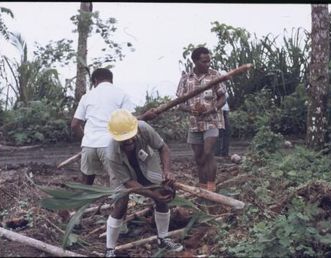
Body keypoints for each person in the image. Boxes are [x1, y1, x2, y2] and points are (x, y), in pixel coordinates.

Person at [104, 109, 183, 257]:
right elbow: (128, 182)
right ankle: (109, 250)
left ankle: (163, 238)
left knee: (163, 192)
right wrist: (151, 194)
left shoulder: (144, 128)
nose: (129, 141)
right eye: (124, 139)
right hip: (125, 177)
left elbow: (163, 148)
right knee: (121, 204)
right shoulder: (111, 153)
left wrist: (167, 170)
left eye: (131, 137)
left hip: (146, 165)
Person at [71, 68, 156, 186]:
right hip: (110, 144)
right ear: (111, 80)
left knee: (86, 185)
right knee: (120, 187)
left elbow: (75, 125)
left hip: (89, 145)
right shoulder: (121, 94)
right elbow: (129, 122)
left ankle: (82, 204)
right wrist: (145, 116)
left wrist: (86, 139)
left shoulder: (87, 96)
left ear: (95, 81)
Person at [176, 46, 226, 193]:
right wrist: (191, 110)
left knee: (208, 152)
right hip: (194, 124)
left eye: (209, 61)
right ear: (195, 61)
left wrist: (213, 108)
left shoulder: (215, 75)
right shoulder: (186, 78)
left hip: (212, 120)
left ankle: (211, 186)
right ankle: (203, 188)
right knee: (198, 157)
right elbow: (179, 102)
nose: (208, 64)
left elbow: (222, 97)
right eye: (204, 61)